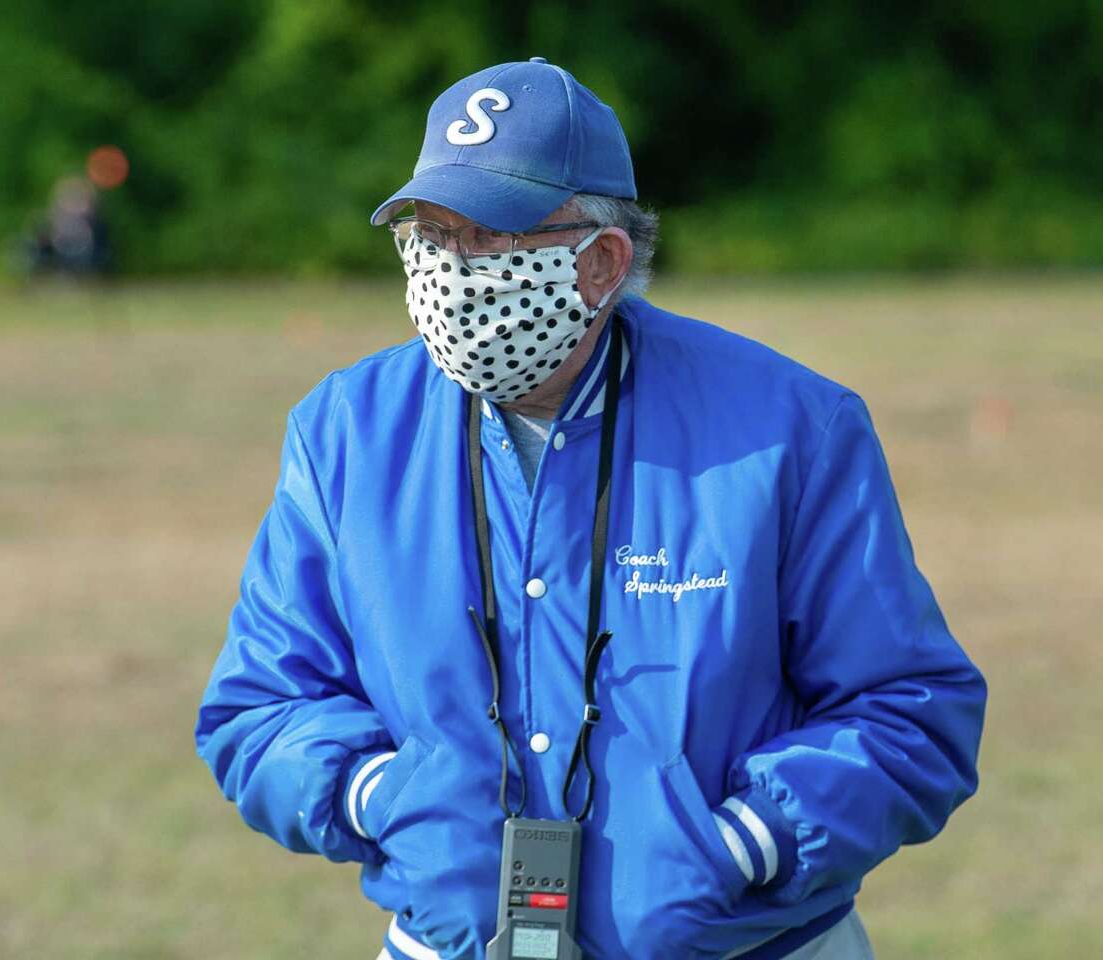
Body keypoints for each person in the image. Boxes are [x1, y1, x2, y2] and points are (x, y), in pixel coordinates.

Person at [195, 58, 987, 960]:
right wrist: (380, 793)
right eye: (428, 230)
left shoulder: (791, 428)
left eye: (486, 236)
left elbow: (911, 709)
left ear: (603, 261)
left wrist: (741, 842)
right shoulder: (345, 431)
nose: (447, 270)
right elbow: (261, 708)